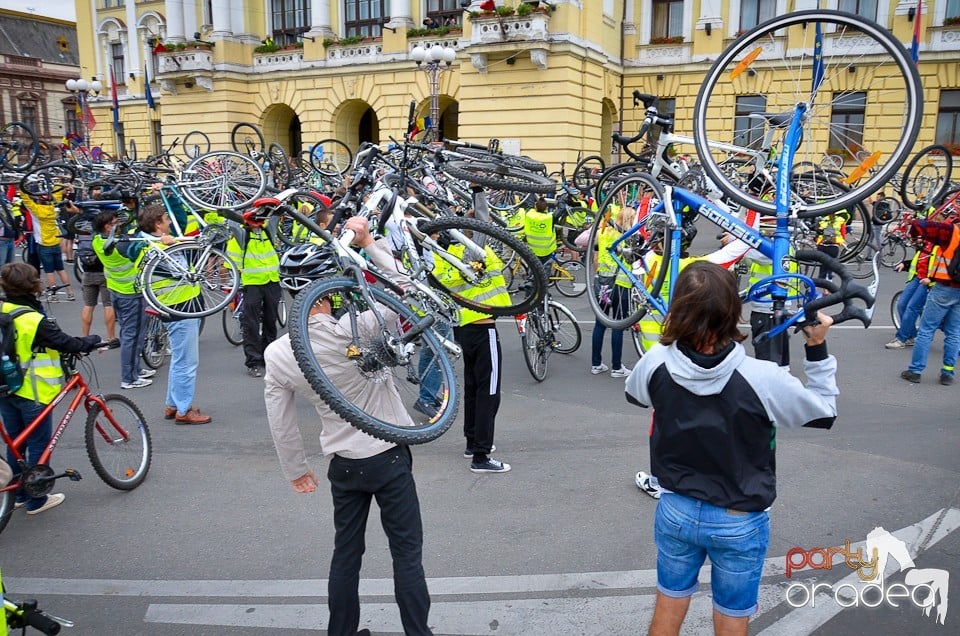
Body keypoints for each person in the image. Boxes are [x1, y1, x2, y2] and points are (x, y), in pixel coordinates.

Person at [625, 261, 837, 636]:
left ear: (678, 309)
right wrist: (816, 346)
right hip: (738, 518)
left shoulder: (655, 361)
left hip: (676, 507)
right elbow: (823, 412)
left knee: (669, 603)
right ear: (732, 312)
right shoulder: (763, 377)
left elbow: (635, 394)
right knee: (731, 616)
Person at [263, 217, 433, 636]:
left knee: (346, 555)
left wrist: (296, 470)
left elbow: (280, 419)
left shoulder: (279, 353)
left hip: (343, 462)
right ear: (328, 289)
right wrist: (371, 243)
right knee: (406, 554)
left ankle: (340, 633)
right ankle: (418, 633)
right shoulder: (360, 325)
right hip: (390, 453)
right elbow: (406, 291)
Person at [0, 262, 101, 514]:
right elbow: (65, 343)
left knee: (15, 443)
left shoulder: (4, 308)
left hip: (5, 388)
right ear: (33, 285)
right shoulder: (34, 319)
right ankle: (37, 500)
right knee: (39, 445)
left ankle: (18, 494)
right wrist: (92, 340)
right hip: (33, 391)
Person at [432, 189, 512, 472]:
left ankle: (471, 442)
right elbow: (486, 225)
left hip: (463, 329)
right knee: (489, 392)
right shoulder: (480, 253)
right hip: (485, 327)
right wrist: (478, 201)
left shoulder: (446, 257)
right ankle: (482, 454)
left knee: (472, 389)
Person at [132, 205, 211, 423]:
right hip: (180, 308)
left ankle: (172, 404)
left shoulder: (152, 244)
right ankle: (183, 411)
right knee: (187, 363)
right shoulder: (153, 248)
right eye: (165, 219)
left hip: (178, 308)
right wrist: (170, 244)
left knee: (179, 360)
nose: (169, 222)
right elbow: (178, 272)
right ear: (157, 224)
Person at [92, 210, 153, 390]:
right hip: (131, 293)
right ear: (107, 227)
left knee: (129, 333)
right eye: (115, 222)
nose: (119, 224)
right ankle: (129, 378)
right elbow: (136, 243)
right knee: (132, 336)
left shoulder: (97, 240)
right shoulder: (119, 246)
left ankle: (136, 369)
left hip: (116, 291)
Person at [901, 218, 960, 385]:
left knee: (926, 330)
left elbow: (921, 226)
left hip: (944, 287)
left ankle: (915, 370)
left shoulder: (952, 232)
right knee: (954, 332)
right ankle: (948, 373)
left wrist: (913, 222)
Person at [225, 217, 282, 377]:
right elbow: (233, 222)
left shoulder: (267, 231)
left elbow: (275, 216)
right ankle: (253, 362)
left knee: (271, 322)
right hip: (252, 284)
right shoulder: (244, 235)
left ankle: (268, 357)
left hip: (272, 281)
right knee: (251, 324)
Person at [590, 203, 634, 378]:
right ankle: (616, 367)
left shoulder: (604, 233)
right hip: (621, 284)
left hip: (603, 282)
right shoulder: (629, 236)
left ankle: (596, 363)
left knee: (600, 324)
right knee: (618, 325)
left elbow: (595, 254)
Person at [19, 182, 75, 301]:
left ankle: (53, 295)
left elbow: (26, 200)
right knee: (61, 269)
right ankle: (70, 293)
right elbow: (58, 195)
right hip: (55, 242)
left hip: (44, 244)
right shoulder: (54, 208)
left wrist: (21, 187)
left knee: (49, 271)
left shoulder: (37, 210)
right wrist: (59, 184)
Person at [75, 213, 117, 344]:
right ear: (107, 226)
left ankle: (85, 336)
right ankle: (111, 337)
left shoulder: (89, 237)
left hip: (87, 274)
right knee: (108, 305)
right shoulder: (106, 239)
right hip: (103, 273)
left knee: (88, 305)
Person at [886, 240, 937, 349]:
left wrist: (931, 279)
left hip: (928, 282)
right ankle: (911, 335)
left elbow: (943, 266)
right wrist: (904, 264)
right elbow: (919, 261)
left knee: (912, 307)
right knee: (901, 305)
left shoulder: (941, 245)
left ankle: (901, 339)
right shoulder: (926, 243)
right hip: (917, 278)